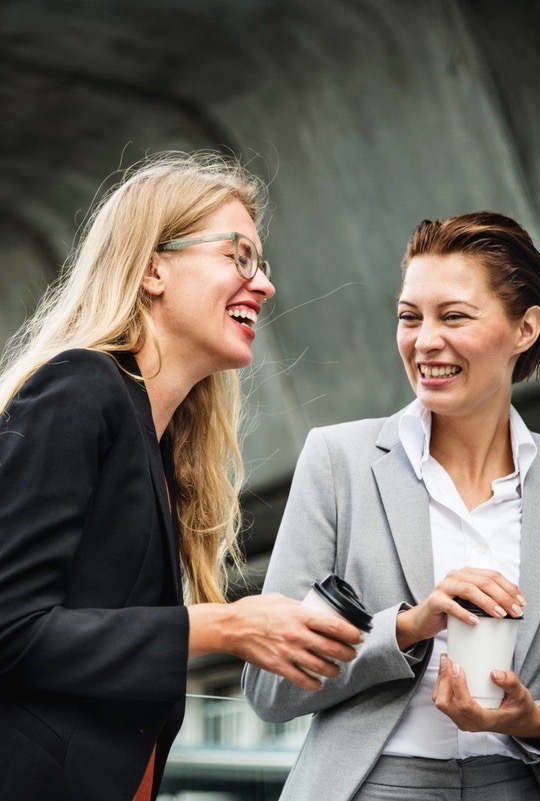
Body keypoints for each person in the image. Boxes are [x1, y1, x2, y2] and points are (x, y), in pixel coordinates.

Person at [242, 211, 540, 801]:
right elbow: (269, 687)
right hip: (370, 786)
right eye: (410, 317)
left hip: (522, 784)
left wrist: (530, 720)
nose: (425, 340)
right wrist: (406, 628)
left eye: (453, 316)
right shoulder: (337, 461)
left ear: (525, 329)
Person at [0, 151, 363, 801]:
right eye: (239, 256)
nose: (265, 284)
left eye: (264, 264)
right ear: (151, 268)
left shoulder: (159, 448)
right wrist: (224, 627)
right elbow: (11, 629)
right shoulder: (80, 387)